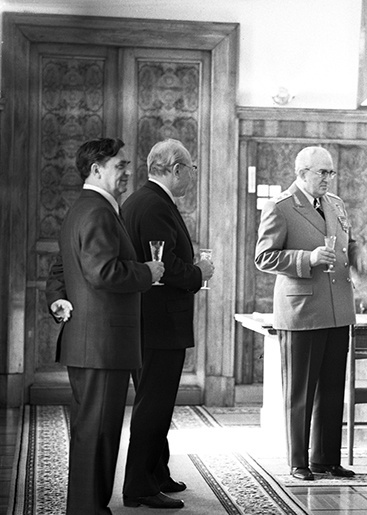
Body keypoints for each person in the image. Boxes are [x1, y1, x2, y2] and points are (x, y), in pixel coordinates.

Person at [45, 138, 165, 514]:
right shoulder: (97, 211)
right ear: (96, 170)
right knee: (98, 434)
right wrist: (148, 271)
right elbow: (103, 272)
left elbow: (62, 268)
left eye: (128, 165)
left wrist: (58, 299)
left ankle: (86, 507)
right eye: (120, 166)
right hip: (102, 344)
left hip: (92, 342)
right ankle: (88, 510)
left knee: (92, 432)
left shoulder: (85, 208)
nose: (128, 173)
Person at [254, 146, 367, 481]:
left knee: (333, 389)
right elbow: (264, 257)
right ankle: (298, 461)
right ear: (302, 172)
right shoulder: (281, 207)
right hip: (302, 310)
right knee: (301, 391)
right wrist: (308, 259)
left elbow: (343, 242)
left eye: (331, 172)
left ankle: (326, 459)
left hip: (337, 309)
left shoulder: (335, 203)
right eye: (322, 173)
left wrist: (356, 250)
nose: (328, 179)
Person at [121, 139, 214, 508]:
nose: (192, 175)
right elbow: (166, 266)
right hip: (158, 323)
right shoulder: (154, 206)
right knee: (153, 405)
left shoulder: (141, 200)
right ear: (175, 169)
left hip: (148, 321)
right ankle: (139, 486)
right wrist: (199, 273)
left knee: (155, 401)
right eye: (190, 169)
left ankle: (156, 472)